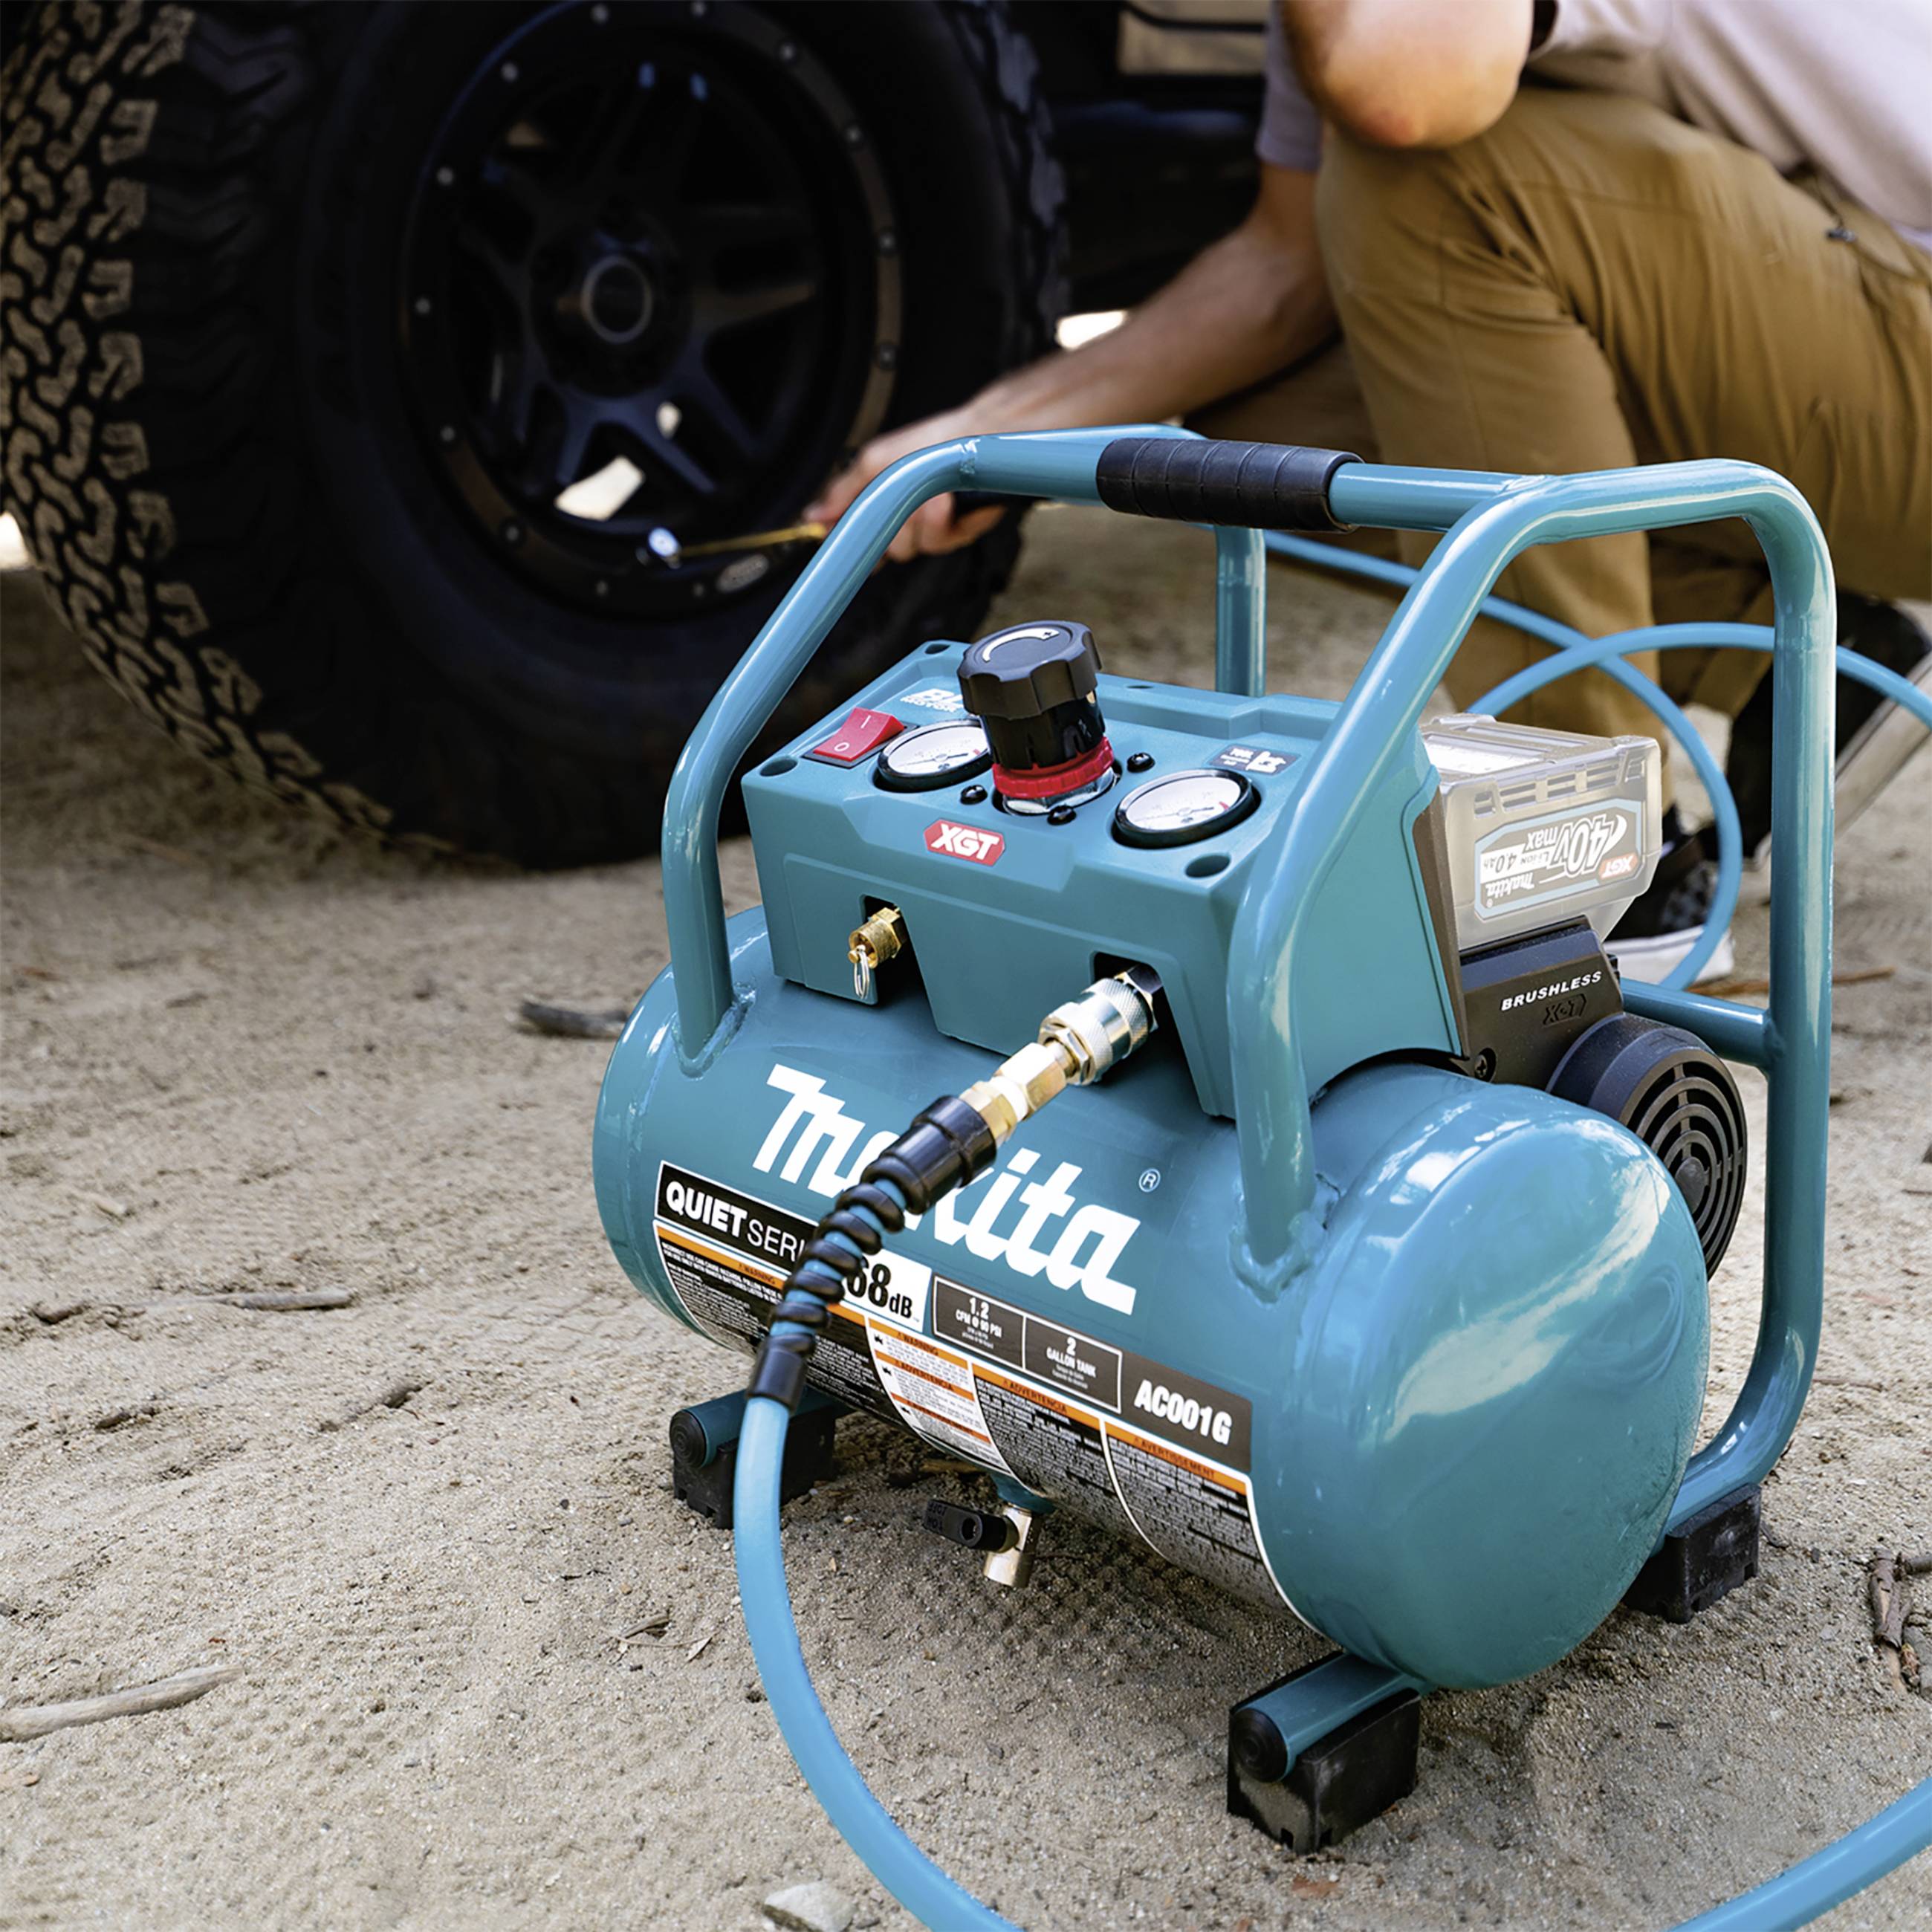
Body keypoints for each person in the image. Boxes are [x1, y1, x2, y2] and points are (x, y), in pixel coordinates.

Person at [808, 0, 1932, 983]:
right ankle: (1786, 654)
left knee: (1440, 184)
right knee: (1253, 442)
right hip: (1838, 311)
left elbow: (1395, 102)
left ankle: (1585, 873)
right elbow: (1282, 273)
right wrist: (991, 439)